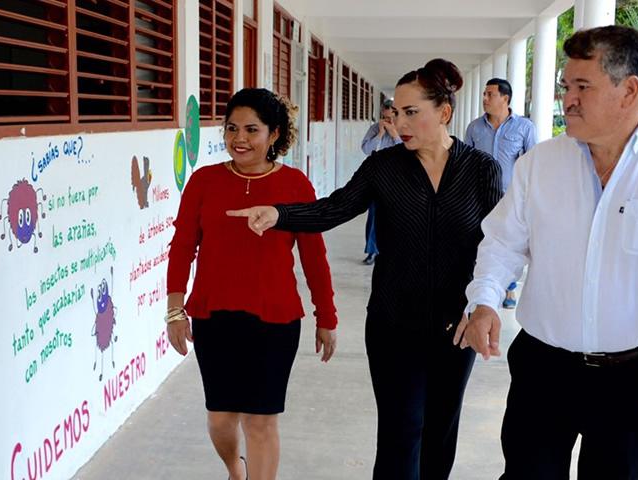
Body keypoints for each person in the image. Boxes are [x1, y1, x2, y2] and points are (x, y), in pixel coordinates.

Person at [455, 26, 638, 479]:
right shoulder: (540, 165)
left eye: (583, 87)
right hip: (543, 370)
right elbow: (503, 242)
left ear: (629, 90)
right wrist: (484, 300)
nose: (569, 99)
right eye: (567, 86)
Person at [228, 59, 502, 479]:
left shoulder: (482, 169)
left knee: (440, 431)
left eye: (412, 112)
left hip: (456, 325)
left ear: (443, 112)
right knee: (400, 431)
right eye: (397, 111)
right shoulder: (384, 167)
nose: (400, 122)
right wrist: (279, 214)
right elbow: (333, 208)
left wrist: (483, 303)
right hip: (394, 323)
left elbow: (497, 242)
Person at [165, 88, 338, 480]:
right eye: (231, 129)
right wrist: (175, 310)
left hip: (274, 320)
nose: (239, 139)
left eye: (251, 130)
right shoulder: (204, 181)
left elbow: (314, 257)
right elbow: (181, 250)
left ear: (274, 134)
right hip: (214, 316)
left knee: (261, 422)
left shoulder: (295, 185)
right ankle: (235, 469)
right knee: (221, 418)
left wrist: (326, 317)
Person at [463, 78, 537, 309]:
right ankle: (484, 288)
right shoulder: (475, 128)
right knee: (481, 241)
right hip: (478, 197)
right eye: (484, 94)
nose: (485, 99)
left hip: (510, 198)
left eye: (490, 94)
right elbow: (466, 163)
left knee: (509, 243)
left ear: (505, 98)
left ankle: (510, 288)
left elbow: (532, 163)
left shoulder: (525, 128)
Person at [359, 100, 402, 265]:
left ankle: (392, 251)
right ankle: (371, 251)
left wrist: (394, 134)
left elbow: (407, 152)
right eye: (384, 118)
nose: (387, 121)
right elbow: (366, 149)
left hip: (397, 179)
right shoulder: (374, 129)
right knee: (374, 215)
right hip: (377, 178)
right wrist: (380, 134)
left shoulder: (402, 128)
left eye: (390, 117)